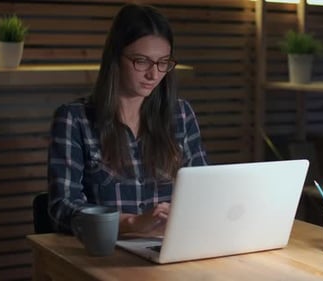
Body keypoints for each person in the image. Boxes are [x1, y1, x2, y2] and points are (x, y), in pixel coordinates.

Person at [47, 4, 207, 235]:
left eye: (163, 62)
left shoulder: (181, 114)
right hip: (107, 253)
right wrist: (132, 223)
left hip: (171, 246)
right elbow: (62, 208)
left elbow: (203, 193)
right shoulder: (75, 119)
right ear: (116, 57)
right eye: (141, 61)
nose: (154, 74)